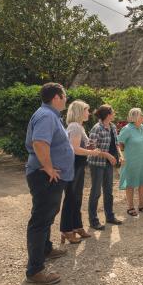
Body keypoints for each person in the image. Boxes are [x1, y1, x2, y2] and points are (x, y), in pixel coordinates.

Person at [25, 83, 74, 284]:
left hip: (49, 176)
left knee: (47, 216)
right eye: (64, 96)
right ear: (56, 97)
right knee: (40, 220)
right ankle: (35, 271)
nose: (66, 99)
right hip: (45, 176)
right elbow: (39, 142)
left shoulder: (51, 115)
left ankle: (45, 249)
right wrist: (48, 167)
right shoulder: (46, 116)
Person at [60, 100, 101, 244]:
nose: (88, 113)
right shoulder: (76, 127)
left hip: (77, 166)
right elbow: (75, 149)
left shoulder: (78, 127)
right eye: (86, 110)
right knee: (71, 198)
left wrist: (89, 146)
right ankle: (66, 229)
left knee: (76, 197)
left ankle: (76, 226)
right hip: (74, 166)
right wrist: (91, 151)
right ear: (79, 112)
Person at [88, 104, 124, 230]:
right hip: (97, 163)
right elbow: (91, 147)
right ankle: (93, 221)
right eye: (113, 112)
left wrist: (120, 155)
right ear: (108, 114)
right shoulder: (96, 128)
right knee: (96, 192)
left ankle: (110, 216)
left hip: (108, 164)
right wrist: (107, 155)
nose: (114, 114)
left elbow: (116, 143)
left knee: (108, 191)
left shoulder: (113, 126)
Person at [117, 108, 143, 216]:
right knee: (130, 183)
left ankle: (141, 205)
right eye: (142, 115)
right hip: (131, 161)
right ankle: (130, 207)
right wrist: (121, 156)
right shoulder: (127, 129)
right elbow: (119, 143)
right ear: (135, 116)